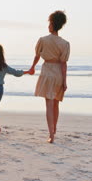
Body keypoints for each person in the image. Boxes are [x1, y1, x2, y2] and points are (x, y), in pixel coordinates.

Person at [28, 10, 70, 143]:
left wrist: (32, 67)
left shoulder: (43, 40)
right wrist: (64, 81)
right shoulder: (65, 43)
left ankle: (51, 134)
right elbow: (64, 64)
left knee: (49, 104)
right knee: (56, 104)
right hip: (58, 73)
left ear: (52, 24)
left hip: (47, 72)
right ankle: (54, 130)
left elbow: (37, 56)